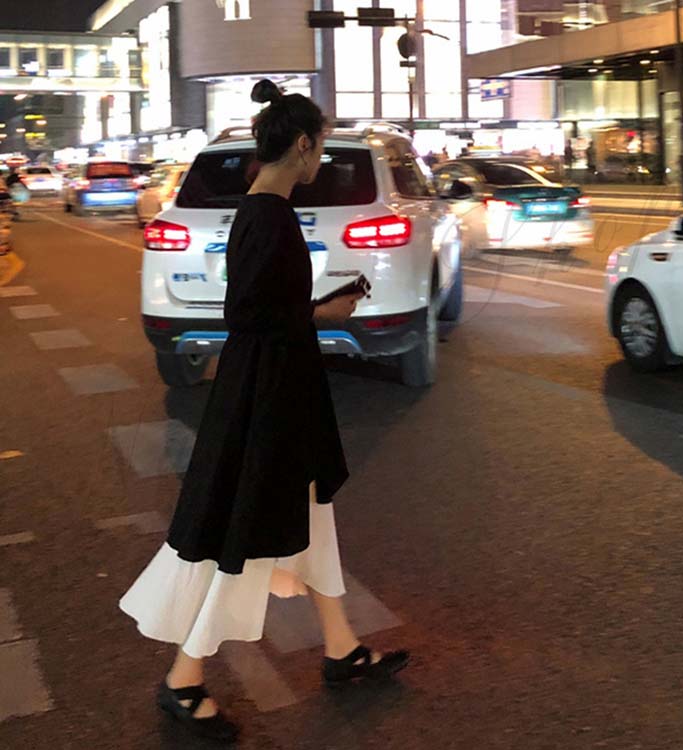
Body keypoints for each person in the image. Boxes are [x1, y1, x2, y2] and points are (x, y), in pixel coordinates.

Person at [119, 79, 409, 742]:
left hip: (276, 391)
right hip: (267, 400)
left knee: (309, 520)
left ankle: (341, 648)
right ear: (302, 145)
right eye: (320, 148)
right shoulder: (269, 216)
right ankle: (183, 679)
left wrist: (313, 309)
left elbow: (261, 308)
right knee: (248, 540)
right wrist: (322, 314)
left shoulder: (263, 210)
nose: (321, 160)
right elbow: (249, 315)